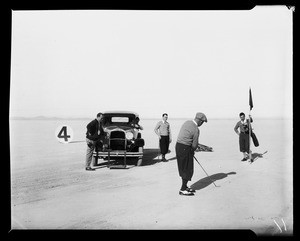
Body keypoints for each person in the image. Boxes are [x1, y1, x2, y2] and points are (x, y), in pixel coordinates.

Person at [176, 112, 207, 196]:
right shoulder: (196, 129)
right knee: (188, 169)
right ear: (200, 121)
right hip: (186, 148)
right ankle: (182, 189)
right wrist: (192, 151)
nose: (202, 124)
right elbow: (194, 145)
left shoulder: (187, 122)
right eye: (203, 122)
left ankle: (185, 186)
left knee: (183, 167)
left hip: (178, 146)